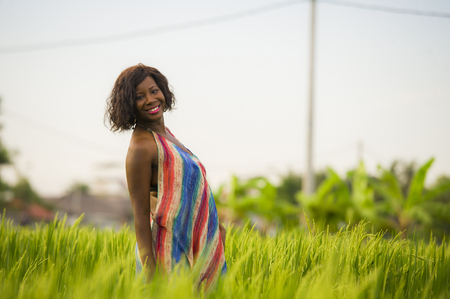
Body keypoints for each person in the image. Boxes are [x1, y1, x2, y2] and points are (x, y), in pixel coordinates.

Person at [105, 63, 227, 290]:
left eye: (153, 91)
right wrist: (151, 273)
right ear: (128, 104)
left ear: (163, 91)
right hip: (168, 251)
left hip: (195, 244)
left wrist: (214, 228)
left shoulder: (167, 136)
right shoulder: (141, 147)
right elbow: (141, 215)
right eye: (139, 96)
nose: (150, 100)